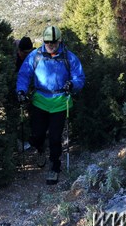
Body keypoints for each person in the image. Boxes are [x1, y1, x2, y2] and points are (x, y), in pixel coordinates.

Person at [16, 25, 85, 185]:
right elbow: (24, 74)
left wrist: (72, 85)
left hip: (60, 102)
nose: (51, 44)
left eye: (54, 41)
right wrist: (21, 90)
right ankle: (40, 149)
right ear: (43, 40)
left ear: (59, 40)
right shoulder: (35, 56)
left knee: (55, 137)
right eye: (48, 41)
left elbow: (79, 77)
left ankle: (55, 167)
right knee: (37, 134)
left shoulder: (69, 57)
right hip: (40, 101)